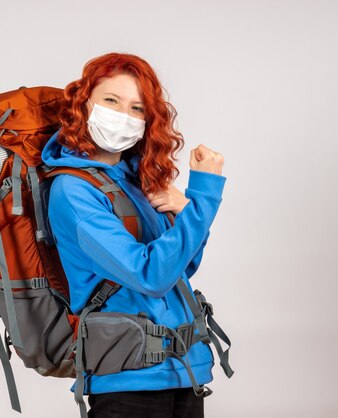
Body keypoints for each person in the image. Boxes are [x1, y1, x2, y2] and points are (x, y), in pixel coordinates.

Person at [40, 52, 226, 418]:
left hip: (183, 371)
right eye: (111, 101)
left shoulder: (134, 182)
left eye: (137, 108)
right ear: (83, 105)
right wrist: (204, 194)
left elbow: (181, 268)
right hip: (129, 382)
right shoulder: (73, 191)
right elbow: (151, 275)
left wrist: (184, 211)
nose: (123, 116)